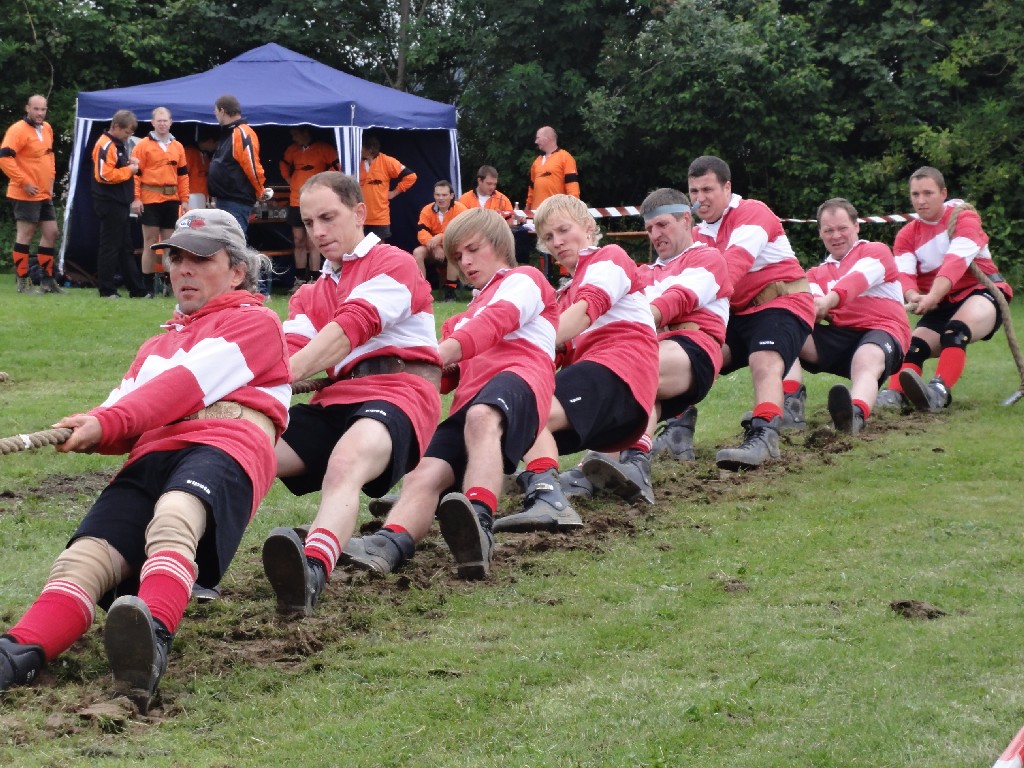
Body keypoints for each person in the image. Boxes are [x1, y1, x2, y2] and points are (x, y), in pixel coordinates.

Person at [0, 209, 290, 714]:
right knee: (82, 559)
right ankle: (18, 652)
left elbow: (181, 387)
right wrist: (91, 426)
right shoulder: (157, 344)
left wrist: (108, 421)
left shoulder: (256, 322)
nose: (183, 269)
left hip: (225, 445)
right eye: (175, 258)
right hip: (154, 451)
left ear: (237, 271)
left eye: (201, 259)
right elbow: (127, 409)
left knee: (175, 517)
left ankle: (150, 638)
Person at [261, 171, 442, 616]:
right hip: (336, 399)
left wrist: (271, 381)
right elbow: (287, 351)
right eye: (309, 223)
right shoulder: (310, 294)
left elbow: (348, 330)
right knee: (246, 452)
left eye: (328, 218)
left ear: (360, 213)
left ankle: (312, 570)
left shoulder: (395, 262)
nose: (318, 232)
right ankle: (187, 565)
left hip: (400, 393)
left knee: (345, 461)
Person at [340, 208, 558, 578]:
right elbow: (442, 374)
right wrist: (389, 371)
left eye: (473, 249)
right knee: (424, 471)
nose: (465, 262)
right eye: (458, 256)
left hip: (520, 379)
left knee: (482, 416)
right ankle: (389, 543)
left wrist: (436, 355)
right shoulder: (459, 319)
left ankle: (479, 522)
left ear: (500, 245)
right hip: (471, 400)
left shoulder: (525, 279)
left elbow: (495, 322)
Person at [491, 195, 658, 533]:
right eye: (548, 237)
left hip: (618, 371)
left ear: (589, 227)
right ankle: (439, 488)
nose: (557, 242)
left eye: (564, 230)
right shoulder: (563, 295)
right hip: (608, 389)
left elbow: (584, 313)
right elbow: (549, 355)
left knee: (519, 410)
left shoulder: (609, 258)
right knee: (501, 412)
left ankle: (547, 497)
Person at [688, 155, 814, 470]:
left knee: (763, 359)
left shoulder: (752, 213)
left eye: (707, 190)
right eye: (694, 191)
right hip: (739, 314)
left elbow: (732, 267)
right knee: (691, 358)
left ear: (727, 188)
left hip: (781, 304)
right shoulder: (697, 235)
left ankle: (765, 434)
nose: (700, 199)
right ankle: (676, 431)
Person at [875, 167, 1012, 412]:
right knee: (911, 347)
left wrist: (933, 296)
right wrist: (913, 296)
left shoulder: (964, 218)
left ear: (943, 193)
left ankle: (938, 392)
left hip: (980, 293)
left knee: (955, 331)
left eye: (928, 193)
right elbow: (904, 274)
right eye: (915, 194)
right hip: (941, 302)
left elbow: (955, 262)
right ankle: (894, 394)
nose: (921, 200)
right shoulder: (907, 235)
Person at [783, 198, 911, 434]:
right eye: (828, 231)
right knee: (784, 332)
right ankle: (790, 407)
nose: (836, 236)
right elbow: (811, 302)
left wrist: (825, 303)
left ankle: (854, 414)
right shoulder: (814, 274)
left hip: (883, 331)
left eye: (842, 228)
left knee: (866, 356)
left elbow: (853, 283)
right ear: (820, 233)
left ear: (856, 226)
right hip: (840, 338)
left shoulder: (876, 252)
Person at [634, 188, 732, 465]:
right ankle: (621, 461)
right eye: (650, 228)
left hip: (695, 350)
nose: (655, 235)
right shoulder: (642, 274)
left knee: (630, 368)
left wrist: (635, 321)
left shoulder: (708, 258)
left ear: (686, 220)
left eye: (662, 225)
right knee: (624, 383)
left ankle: (629, 459)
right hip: (655, 350)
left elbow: (678, 299)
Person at [0, 94, 62, 294]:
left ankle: (47, 280)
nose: (40, 113)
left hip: (44, 192)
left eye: (43, 109)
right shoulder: (17, 130)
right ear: (27, 108)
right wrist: (24, 182)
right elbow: (4, 158)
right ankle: (23, 281)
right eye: (36, 109)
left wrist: (51, 182)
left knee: (52, 233)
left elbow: (49, 156)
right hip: (25, 192)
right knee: (25, 234)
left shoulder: (47, 128)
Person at [132, 107, 190, 297]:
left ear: (171, 122)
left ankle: (169, 284)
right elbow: (136, 175)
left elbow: (183, 175)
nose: (162, 124)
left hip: (171, 200)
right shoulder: (143, 146)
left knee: (170, 244)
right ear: (153, 123)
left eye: (165, 120)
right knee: (149, 242)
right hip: (150, 198)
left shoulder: (178, 146)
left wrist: (185, 199)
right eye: (159, 121)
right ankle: (148, 288)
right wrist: (136, 198)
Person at [91, 110, 147, 299]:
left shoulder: (117, 144)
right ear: (115, 127)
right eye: (126, 132)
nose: (128, 136)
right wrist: (129, 170)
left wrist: (128, 163)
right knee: (110, 247)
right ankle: (106, 290)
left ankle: (137, 290)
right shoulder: (105, 144)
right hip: (109, 202)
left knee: (125, 247)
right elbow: (104, 175)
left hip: (120, 202)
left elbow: (115, 168)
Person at [279, 126, 338, 288]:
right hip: (295, 201)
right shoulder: (293, 149)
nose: (294, 139)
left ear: (305, 133)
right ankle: (299, 278)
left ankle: (314, 278)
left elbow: (337, 166)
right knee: (298, 240)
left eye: (296, 134)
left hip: (315, 202)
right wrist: (289, 180)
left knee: (313, 241)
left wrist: (323, 183)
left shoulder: (324, 149)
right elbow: (283, 164)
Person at [525, 126, 580, 282]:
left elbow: (572, 185)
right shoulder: (536, 162)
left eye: (538, 138)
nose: (536, 142)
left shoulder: (565, 157)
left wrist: (573, 208)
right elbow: (531, 189)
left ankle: (566, 276)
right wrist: (527, 210)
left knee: (563, 242)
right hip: (538, 214)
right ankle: (545, 278)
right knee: (542, 244)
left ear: (548, 138)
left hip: (559, 213)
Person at [413, 179, 468, 299]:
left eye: (444, 195)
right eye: (438, 195)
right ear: (434, 195)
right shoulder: (427, 210)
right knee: (417, 252)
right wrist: (435, 246)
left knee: (453, 252)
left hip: (453, 247)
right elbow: (421, 233)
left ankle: (450, 291)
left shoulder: (461, 209)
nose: (440, 198)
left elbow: (461, 233)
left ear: (451, 196)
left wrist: (440, 237)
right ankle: (421, 291)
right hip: (433, 247)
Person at [358, 133, 416, 242]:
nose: (358, 150)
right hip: (359, 216)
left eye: (361, 147)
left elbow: (411, 176)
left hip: (380, 218)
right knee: (359, 249)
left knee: (379, 249)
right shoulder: (353, 162)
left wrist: (394, 192)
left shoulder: (387, 161)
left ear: (370, 149)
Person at [183, 132, 218, 210]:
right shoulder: (189, 152)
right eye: (216, 144)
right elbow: (181, 176)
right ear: (210, 141)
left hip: (204, 200)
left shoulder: (206, 156)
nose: (216, 147)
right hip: (191, 199)